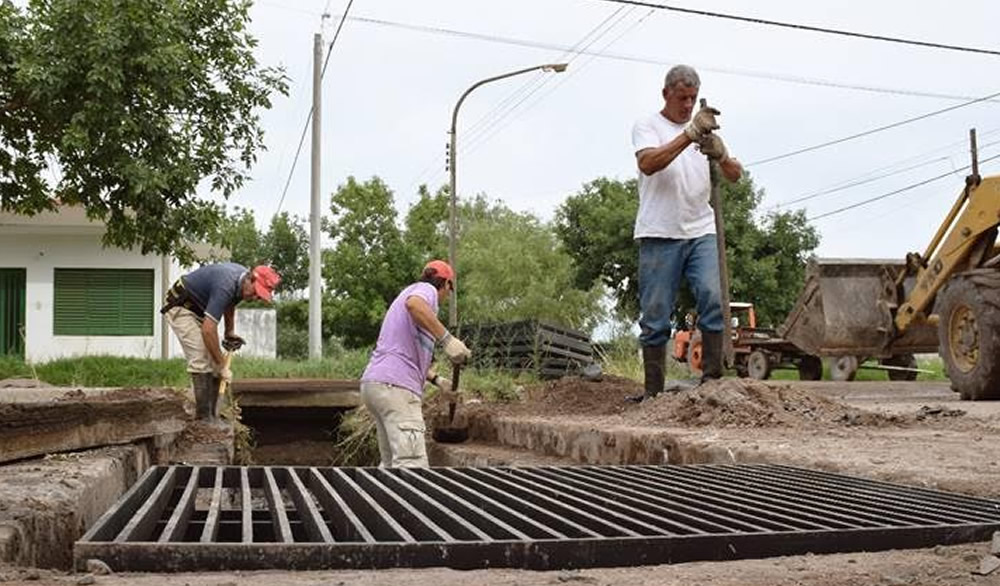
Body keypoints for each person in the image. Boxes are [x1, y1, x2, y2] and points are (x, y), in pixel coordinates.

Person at [628, 64, 743, 402]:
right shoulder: (648, 126)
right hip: (659, 233)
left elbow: (735, 174)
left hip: (700, 230)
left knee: (712, 297)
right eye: (682, 98)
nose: (688, 105)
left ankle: (712, 382)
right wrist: (689, 135)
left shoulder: (703, 132)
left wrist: (721, 154)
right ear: (666, 94)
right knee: (656, 313)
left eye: (693, 99)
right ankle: (653, 393)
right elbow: (648, 163)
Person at [360, 260, 472, 468]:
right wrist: (447, 339)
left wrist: (438, 381)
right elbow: (414, 304)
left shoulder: (413, 302)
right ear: (446, 284)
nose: (448, 296)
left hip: (376, 385)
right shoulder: (425, 291)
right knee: (411, 464)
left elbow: (403, 353)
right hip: (396, 388)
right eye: (450, 290)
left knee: (392, 464)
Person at [161, 263, 281, 421]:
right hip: (181, 306)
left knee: (213, 358)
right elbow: (208, 330)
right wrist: (222, 366)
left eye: (260, 296)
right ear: (250, 279)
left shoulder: (240, 283)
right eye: (256, 293)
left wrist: (229, 332)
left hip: (199, 308)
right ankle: (204, 420)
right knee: (201, 358)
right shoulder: (225, 285)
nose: (255, 298)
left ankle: (213, 413)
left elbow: (230, 303)